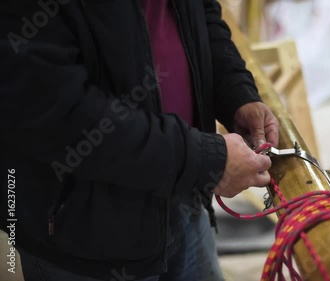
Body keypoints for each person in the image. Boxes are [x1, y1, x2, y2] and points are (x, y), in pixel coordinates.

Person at [0, 0, 279, 280]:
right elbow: (58, 114)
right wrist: (202, 160)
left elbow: (201, 13)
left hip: (183, 203)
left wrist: (236, 93)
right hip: (84, 239)